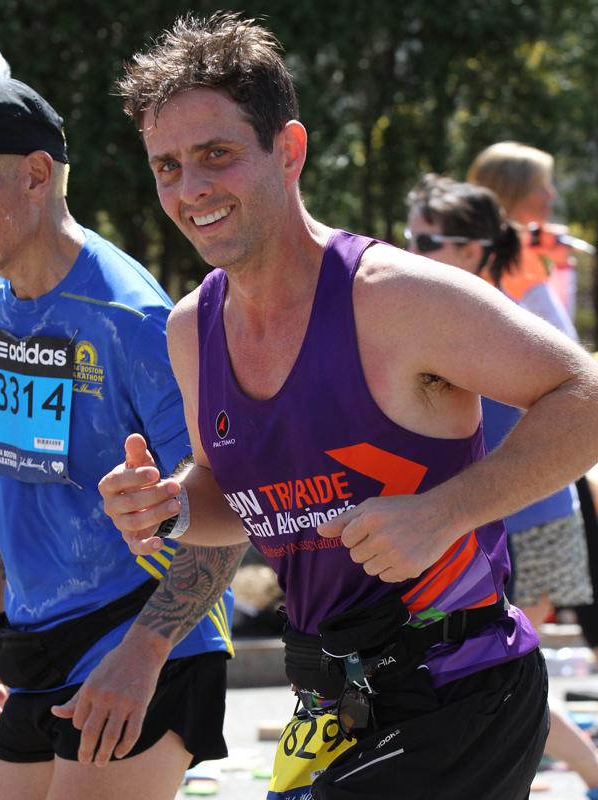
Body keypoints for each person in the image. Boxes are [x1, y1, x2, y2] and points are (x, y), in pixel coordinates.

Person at [99, 12, 598, 800]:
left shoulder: (391, 298)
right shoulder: (192, 327)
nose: (190, 190)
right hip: (333, 702)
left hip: (461, 689)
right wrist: (169, 508)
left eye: (216, 156)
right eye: (167, 167)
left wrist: (444, 512)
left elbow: (586, 395)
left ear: (288, 150)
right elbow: (234, 498)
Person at [0, 77, 247, 800]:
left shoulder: (134, 318)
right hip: (33, 641)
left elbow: (231, 514)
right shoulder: (5, 302)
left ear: (36, 177)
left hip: (138, 635)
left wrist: (144, 653)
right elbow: (15, 477)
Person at [406, 173, 598, 800]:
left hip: (525, 520)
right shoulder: (452, 304)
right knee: (496, 667)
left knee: (497, 668)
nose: (410, 247)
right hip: (508, 518)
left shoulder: (485, 313)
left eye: (425, 238)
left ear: (470, 247)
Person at [466, 140, 593, 322]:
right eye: (541, 186)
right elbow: (561, 336)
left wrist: (561, 264)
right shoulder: (505, 258)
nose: (551, 195)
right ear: (511, 192)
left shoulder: (518, 251)